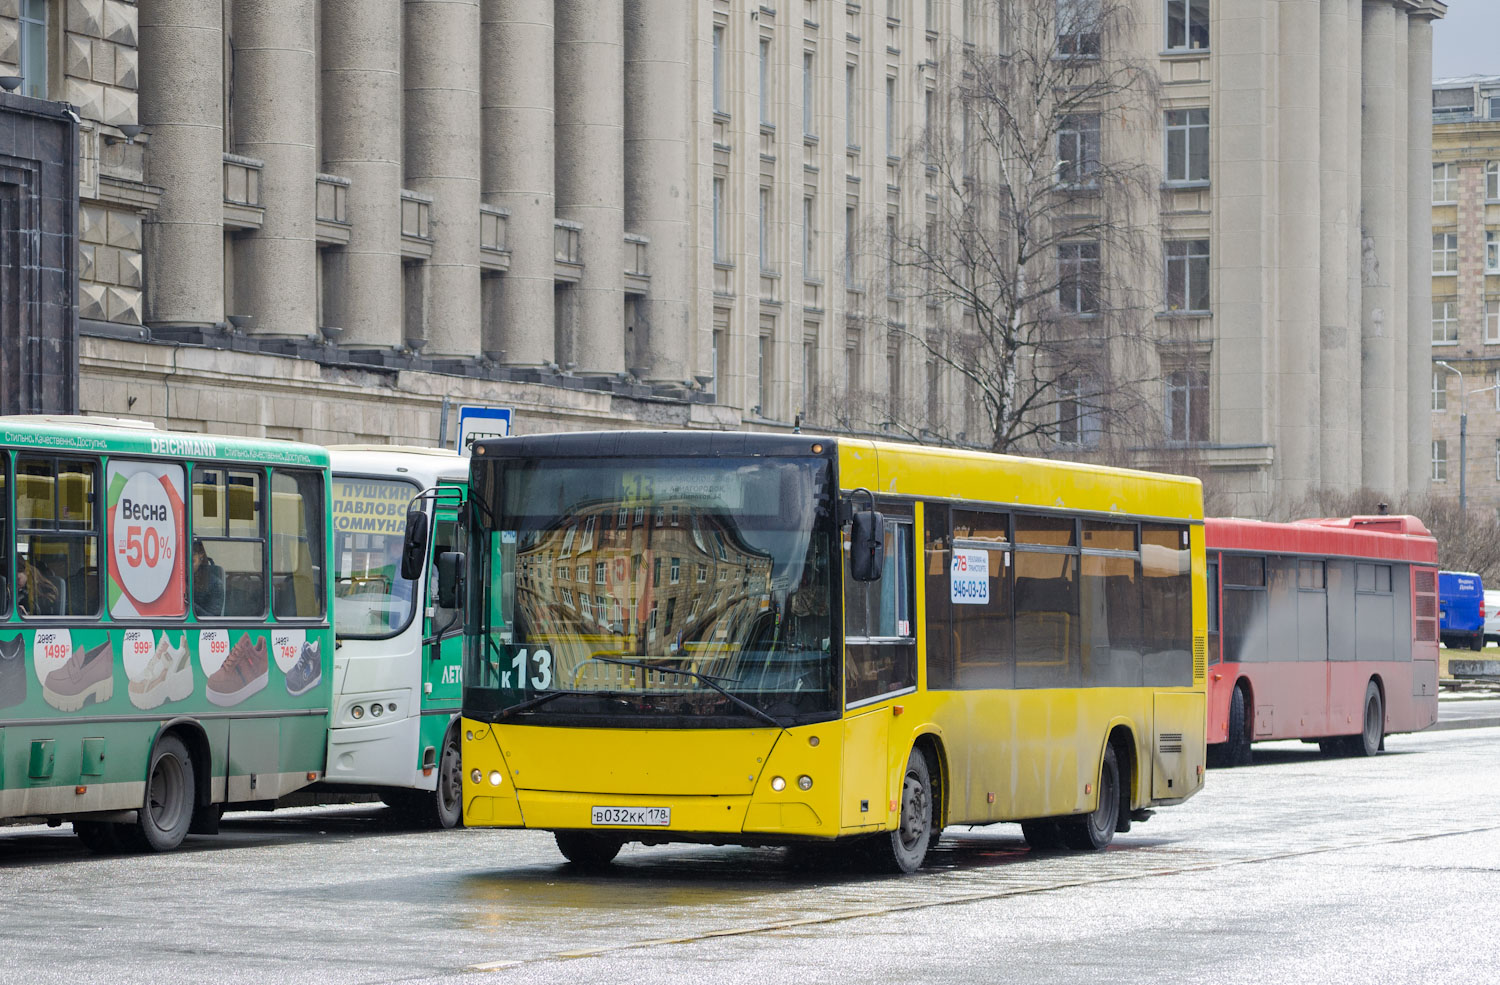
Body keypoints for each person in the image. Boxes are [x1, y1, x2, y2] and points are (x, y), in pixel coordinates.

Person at [192, 541, 225, 617]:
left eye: (192, 561)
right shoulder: (178, 581)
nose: (188, 567)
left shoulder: (216, 584)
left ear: (201, 556)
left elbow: (213, 619)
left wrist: (189, 604)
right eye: (184, 562)